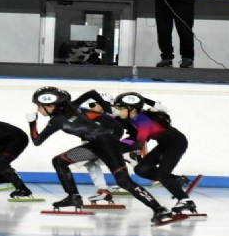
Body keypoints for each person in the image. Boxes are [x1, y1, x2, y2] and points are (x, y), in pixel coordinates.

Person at [27, 87, 175, 223]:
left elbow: (37, 140)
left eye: (39, 106)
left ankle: (159, 209)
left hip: (108, 145)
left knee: (124, 181)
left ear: (51, 106)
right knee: (59, 161)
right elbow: (91, 93)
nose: (38, 110)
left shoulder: (56, 121)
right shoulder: (72, 107)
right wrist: (106, 109)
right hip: (95, 146)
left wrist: (32, 123)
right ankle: (73, 197)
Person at [113, 92, 198, 215]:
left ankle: (185, 200)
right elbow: (110, 119)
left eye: (120, 108)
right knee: (141, 169)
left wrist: (115, 150)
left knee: (163, 176)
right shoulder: (133, 117)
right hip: (164, 144)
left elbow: (139, 145)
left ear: (131, 109)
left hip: (176, 144)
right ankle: (176, 180)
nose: (118, 111)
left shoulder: (143, 121)